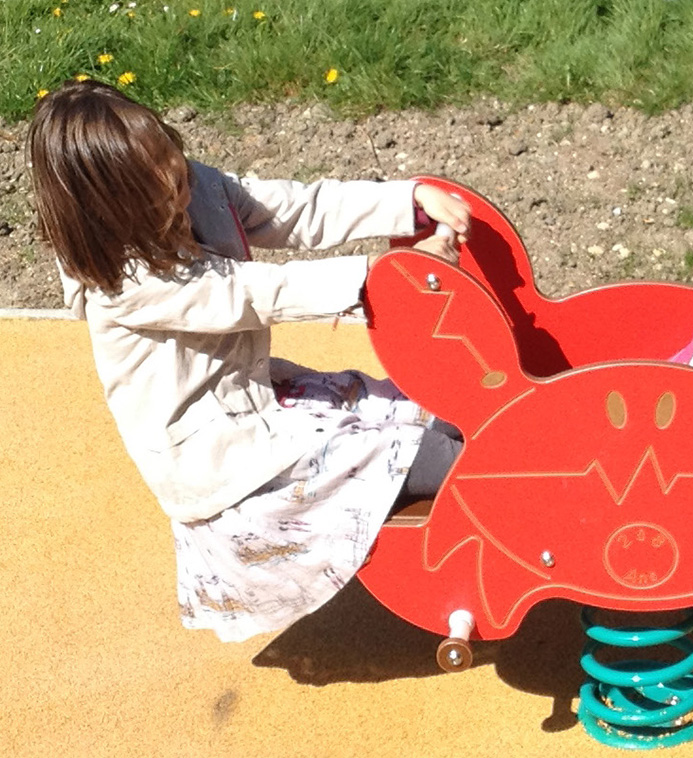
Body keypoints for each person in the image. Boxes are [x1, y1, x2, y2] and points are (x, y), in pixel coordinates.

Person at [29, 80, 473, 642]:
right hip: (227, 459)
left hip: (256, 401)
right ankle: (513, 496)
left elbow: (295, 208)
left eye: (166, 151)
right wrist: (376, 276)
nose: (173, 176)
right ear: (105, 210)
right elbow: (251, 292)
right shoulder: (125, 282)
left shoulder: (195, 186)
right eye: (149, 180)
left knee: (419, 406)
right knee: (415, 453)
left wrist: (406, 201)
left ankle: (491, 453)